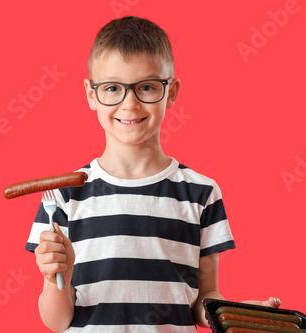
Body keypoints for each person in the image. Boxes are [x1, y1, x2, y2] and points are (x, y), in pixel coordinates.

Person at [25, 16, 280, 332]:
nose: (129, 104)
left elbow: (204, 298)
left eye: (146, 87)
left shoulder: (202, 193)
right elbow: (57, 320)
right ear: (91, 94)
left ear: (171, 92)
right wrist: (55, 280)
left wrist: (235, 314)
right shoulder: (64, 196)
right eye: (113, 88)